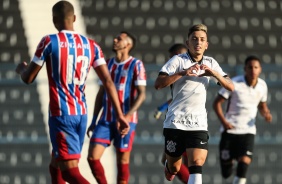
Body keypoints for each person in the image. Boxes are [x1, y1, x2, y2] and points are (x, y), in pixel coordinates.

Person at [15, 1, 129, 184]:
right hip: (80, 115)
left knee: (69, 172)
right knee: (55, 166)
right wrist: (121, 115)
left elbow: (29, 78)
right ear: (74, 18)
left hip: (62, 115)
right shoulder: (92, 45)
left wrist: (21, 69)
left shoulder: (49, 42)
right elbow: (108, 81)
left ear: (54, 20)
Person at [154, 23, 234, 183]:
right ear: (187, 43)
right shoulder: (177, 61)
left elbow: (231, 86)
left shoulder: (211, 63)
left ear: (206, 44)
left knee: (197, 162)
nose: (198, 42)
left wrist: (214, 74)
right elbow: (158, 83)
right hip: (175, 122)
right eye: (194, 39)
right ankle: (169, 167)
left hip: (198, 123)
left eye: (202, 39)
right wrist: (183, 72)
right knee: (175, 168)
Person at [86, 31, 146, 184]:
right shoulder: (108, 64)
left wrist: (127, 116)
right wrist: (94, 120)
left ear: (128, 44)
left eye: (119, 39)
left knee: (122, 160)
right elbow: (101, 93)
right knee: (92, 157)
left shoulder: (136, 65)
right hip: (105, 120)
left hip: (127, 121)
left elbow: (142, 95)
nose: (115, 40)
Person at [213, 55, 272, 184]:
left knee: (244, 164)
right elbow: (216, 103)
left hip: (248, 131)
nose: (253, 70)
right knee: (226, 173)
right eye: (250, 67)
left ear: (260, 69)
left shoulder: (262, 86)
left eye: (256, 67)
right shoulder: (234, 83)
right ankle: (230, 162)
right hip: (230, 130)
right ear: (245, 69)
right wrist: (224, 122)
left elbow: (262, 105)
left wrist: (266, 113)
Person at [154, 43, 190, 184]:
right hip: (176, 121)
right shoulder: (177, 74)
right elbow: (177, 97)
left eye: (171, 57)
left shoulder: (187, 71)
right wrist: (163, 108)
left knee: (181, 162)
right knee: (169, 161)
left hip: (187, 123)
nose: (170, 61)